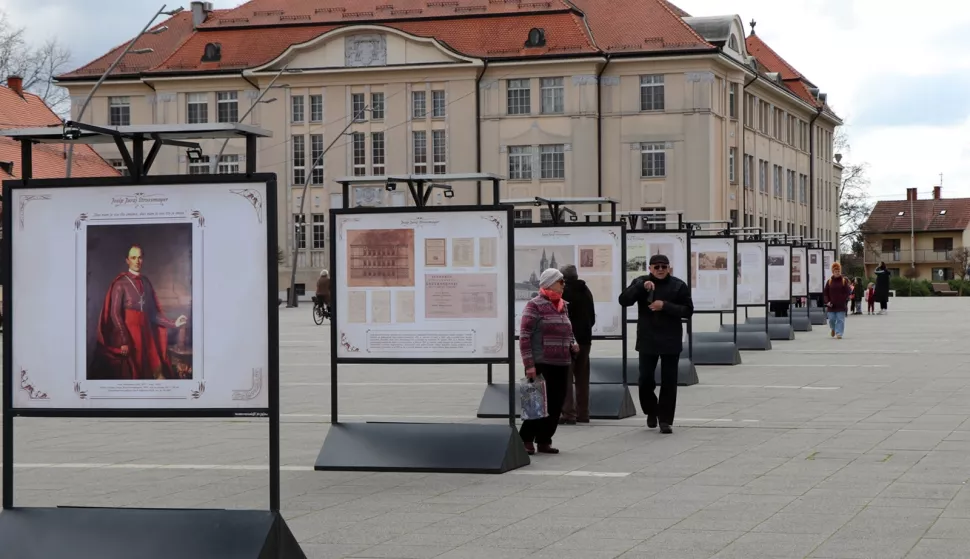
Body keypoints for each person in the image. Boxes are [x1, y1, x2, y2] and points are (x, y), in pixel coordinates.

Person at [618, 254, 693, 434]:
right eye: (656, 266)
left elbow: (688, 310)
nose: (660, 269)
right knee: (645, 379)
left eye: (663, 266)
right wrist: (640, 287)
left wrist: (665, 306)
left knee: (669, 381)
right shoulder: (641, 282)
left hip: (670, 339)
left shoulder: (678, 285)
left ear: (669, 268)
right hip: (647, 338)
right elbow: (624, 300)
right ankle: (652, 410)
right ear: (650, 268)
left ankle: (665, 420)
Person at [90, 245, 188, 380]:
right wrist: (124, 339)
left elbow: (153, 314)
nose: (137, 261)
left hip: (145, 336)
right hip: (128, 336)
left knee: (157, 375)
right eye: (133, 257)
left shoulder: (146, 283)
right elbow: (115, 314)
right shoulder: (120, 284)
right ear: (127, 260)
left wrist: (174, 323)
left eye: (140, 257)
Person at [518, 268, 579, 455]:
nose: (563, 285)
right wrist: (529, 364)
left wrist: (573, 343)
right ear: (550, 283)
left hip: (562, 362)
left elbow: (568, 331)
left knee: (556, 404)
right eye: (560, 281)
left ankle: (544, 440)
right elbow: (525, 336)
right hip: (541, 363)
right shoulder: (534, 305)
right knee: (536, 403)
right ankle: (526, 439)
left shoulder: (563, 305)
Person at [559, 264, 595, 425]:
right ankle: (583, 413)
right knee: (582, 378)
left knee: (566, 378)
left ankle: (569, 414)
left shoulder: (563, 293)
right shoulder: (586, 291)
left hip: (569, 340)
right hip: (585, 339)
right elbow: (592, 317)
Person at [823, 261, 852, 339]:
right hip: (831, 305)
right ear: (833, 272)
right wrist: (827, 301)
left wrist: (843, 298)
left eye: (838, 271)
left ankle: (839, 333)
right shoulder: (829, 281)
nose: (837, 272)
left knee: (840, 320)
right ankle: (833, 329)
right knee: (831, 320)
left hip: (841, 305)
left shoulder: (843, 281)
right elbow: (825, 293)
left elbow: (848, 291)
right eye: (836, 271)